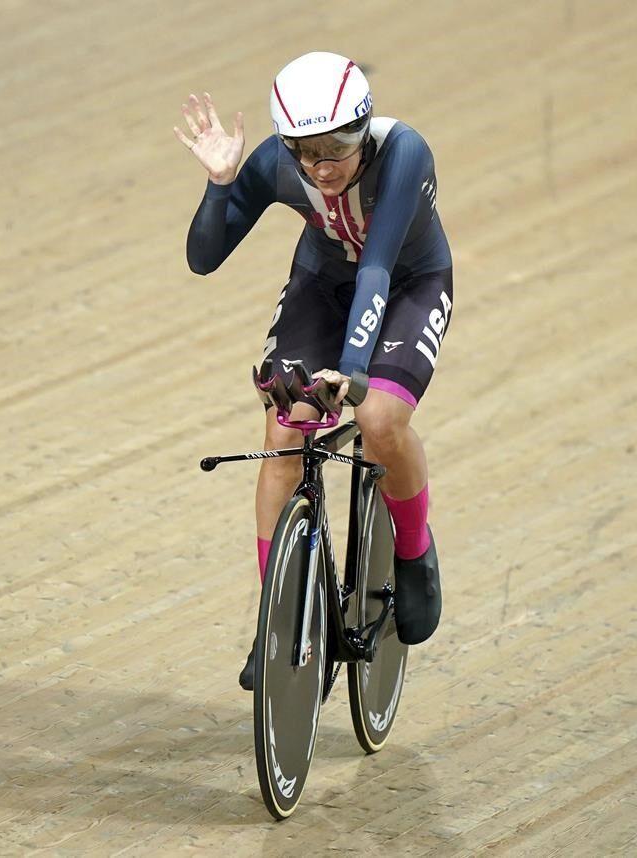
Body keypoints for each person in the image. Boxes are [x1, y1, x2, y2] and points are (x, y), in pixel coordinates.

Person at [175, 52, 452, 690]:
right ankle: (278, 621)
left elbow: (378, 267)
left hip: (408, 283)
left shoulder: (404, 153)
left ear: (364, 129)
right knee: (283, 434)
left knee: (379, 419)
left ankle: (414, 554)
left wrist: (351, 376)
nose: (323, 168)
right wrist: (223, 183)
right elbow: (204, 258)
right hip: (323, 283)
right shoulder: (280, 163)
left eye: (336, 149)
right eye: (306, 151)